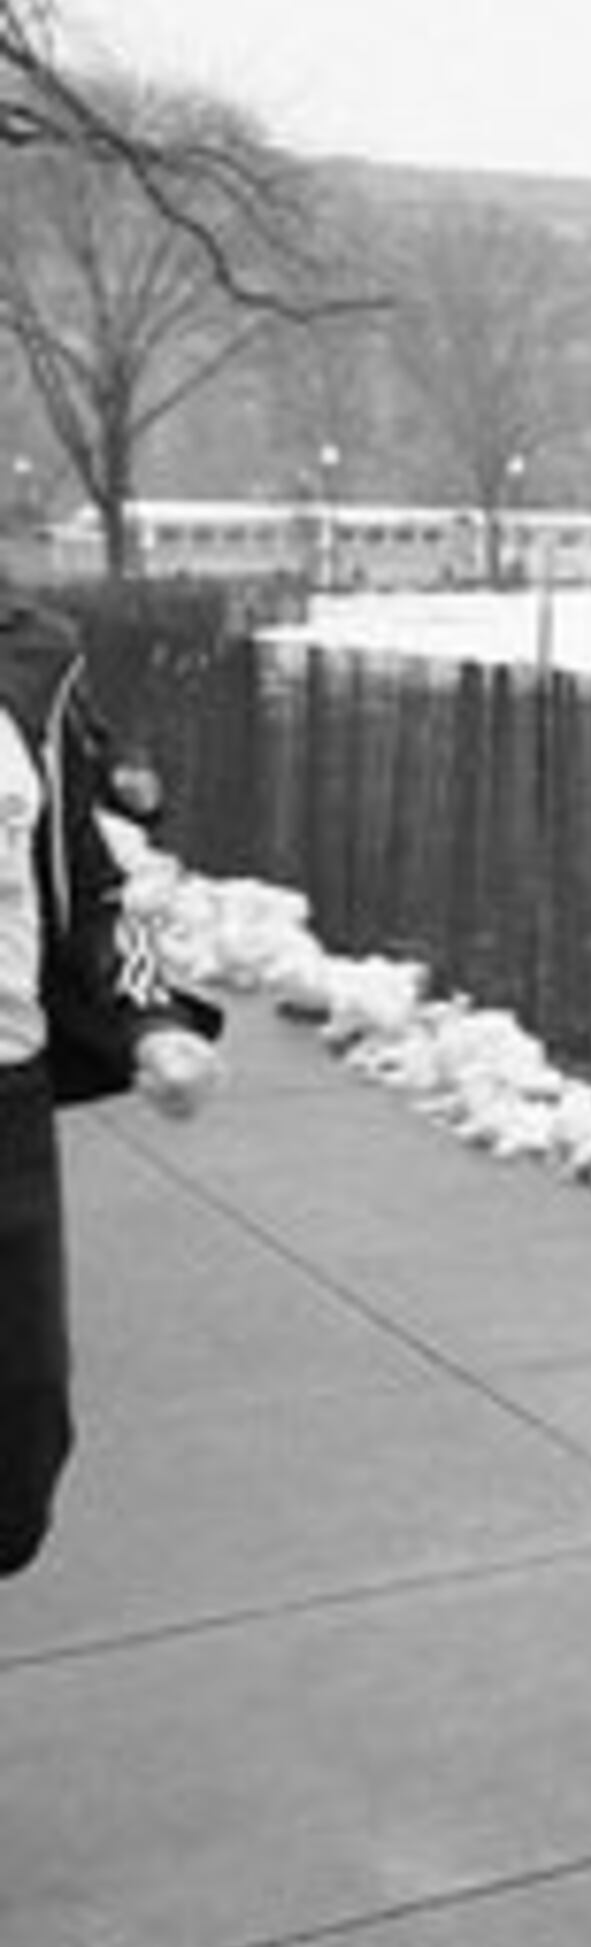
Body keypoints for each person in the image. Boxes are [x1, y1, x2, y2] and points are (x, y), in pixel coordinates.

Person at [1, 585, 224, 1580]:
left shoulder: (29, 665)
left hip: (7, 1097)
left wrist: (150, 1019)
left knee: (20, 1443)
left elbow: (94, 881)